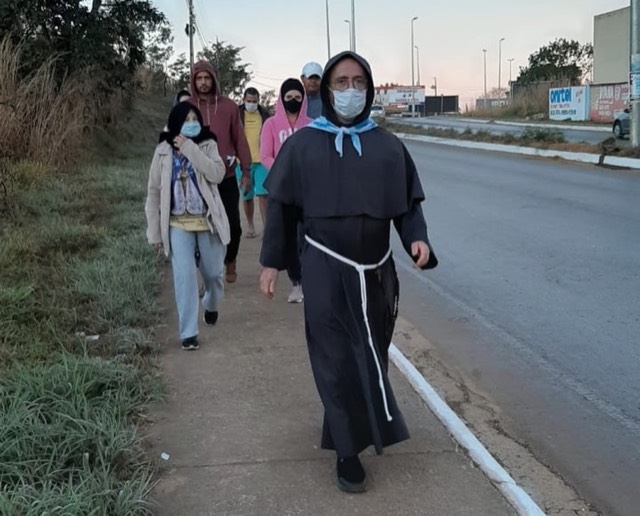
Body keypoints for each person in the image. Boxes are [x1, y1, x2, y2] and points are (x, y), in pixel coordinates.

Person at [259, 51, 438, 492]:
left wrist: (416, 237)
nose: (350, 90)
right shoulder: (303, 144)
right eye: (341, 82)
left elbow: (408, 204)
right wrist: (270, 262)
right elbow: (281, 207)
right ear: (328, 89)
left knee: (367, 355)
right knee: (335, 359)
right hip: (323, 266)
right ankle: (346, 454)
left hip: (376, 272)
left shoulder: (387, 146)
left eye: (358, 81)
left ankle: (344, 425)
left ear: (370, 88)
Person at [145, 102, 230, 350]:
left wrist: (190, 149)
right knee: (184, 277)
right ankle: (188, 333)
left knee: (213, 275)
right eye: (186, 119)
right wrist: (154, 234)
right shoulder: (162, 151)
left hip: (207, 222)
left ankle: (211, 305)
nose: (191, 123)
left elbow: (216, 173)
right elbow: (152, 193)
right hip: (177, 224)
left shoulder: (208, 144)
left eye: (195, 118)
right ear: (175, 123)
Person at [189, 61, 252, 284]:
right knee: (200, 228)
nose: (203, 83)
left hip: (225, 177)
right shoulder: (188, 106)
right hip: (196, 179)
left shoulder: (228, 107)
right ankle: (204, 274)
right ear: (193, 81)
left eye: (207, 78)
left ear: (214, 79)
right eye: (199, 78)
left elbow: (240, 140)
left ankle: (230, 259)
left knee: (233, 226)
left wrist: (246, 172)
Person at [260, 78, 312, 304]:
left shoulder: (311, 124)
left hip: (306, 190)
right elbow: (265, 156)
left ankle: (310, 279)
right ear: (282, 99)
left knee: (306, 236)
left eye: (298, 98)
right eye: (289, 97)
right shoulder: (271, 124)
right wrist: (283, 172)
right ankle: (296, 283)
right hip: (282, 189)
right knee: (289, 237)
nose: (293, 101)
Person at [237, 87, 271, 238]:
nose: (251, 104)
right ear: (243, 100)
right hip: (243, 163)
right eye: (249, 101)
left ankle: (267, 228)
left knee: (264, 195)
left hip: (262, 161)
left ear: (258, 100)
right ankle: (250, 226)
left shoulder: (264, 115)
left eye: (254, 101)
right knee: (247, 196)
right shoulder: (236, 115)